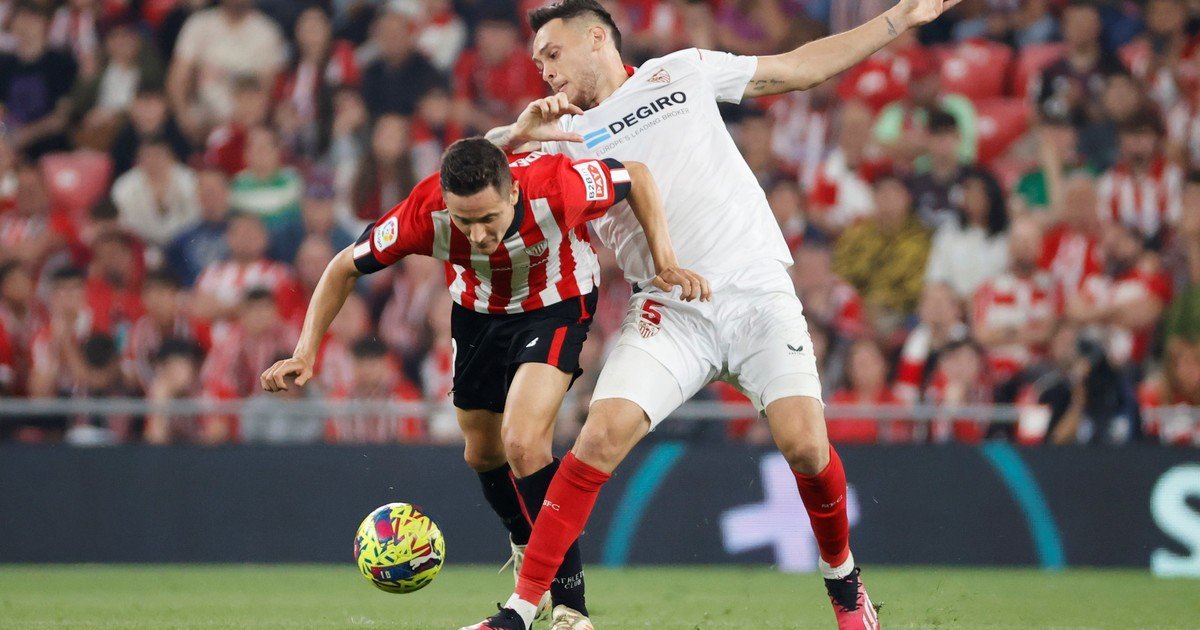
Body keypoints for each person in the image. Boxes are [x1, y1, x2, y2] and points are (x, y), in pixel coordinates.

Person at [468, 0, 961, 628]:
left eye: (552, 54)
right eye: (537, 61)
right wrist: (512, 136)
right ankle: (520, 609)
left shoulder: (682, 71)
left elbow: (797, 69)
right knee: (596, 437)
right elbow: (476, 188)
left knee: (807, 447)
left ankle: (844, 583)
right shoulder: (558, 137)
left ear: (597, 39)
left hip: (755, 288)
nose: (543, 70)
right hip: (669, 306)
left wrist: (900, 19)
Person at [260, 138, 704, 623]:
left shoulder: (556, 188)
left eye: (487, 219)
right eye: (463, 220)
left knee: (523, 443)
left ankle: (571, 609)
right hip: (476, 315)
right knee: (482, 452)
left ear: (512, 193)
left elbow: (636, 174)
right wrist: (306, 351)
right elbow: (343, 266)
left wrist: (665, 260)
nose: (476, 234)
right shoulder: (423, 213)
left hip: (555, 307)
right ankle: (525, 540)